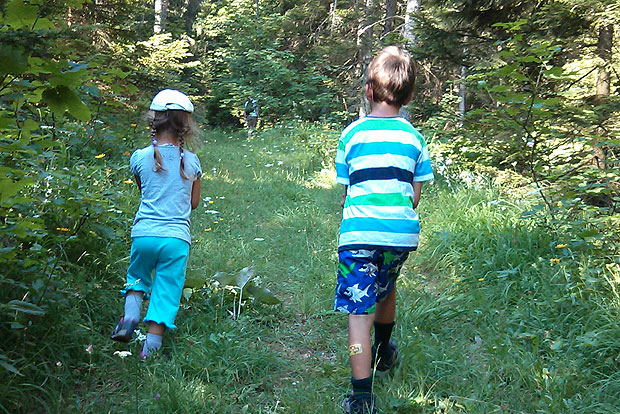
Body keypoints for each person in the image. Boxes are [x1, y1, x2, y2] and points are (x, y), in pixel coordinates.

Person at [334, 46, 434, 414]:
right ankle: (384, 352)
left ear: (368, 91)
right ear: (408, 96)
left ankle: (361, 399)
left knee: (358, 311)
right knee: (385, 288)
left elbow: (348, 191)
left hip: (359, 233)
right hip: (400, 235)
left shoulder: (352, 135)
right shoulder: (414, 139)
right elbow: (414, 195)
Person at [110, 89, 202, 358]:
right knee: (166, 290)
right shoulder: (192, 162)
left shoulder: (139, 158)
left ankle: (129, 319)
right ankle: (148, 353)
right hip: (176, 239)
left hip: (144, 234)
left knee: (137, 277)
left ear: (152, 121)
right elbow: (192, 204)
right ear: (186, 126)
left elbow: (145, 191)